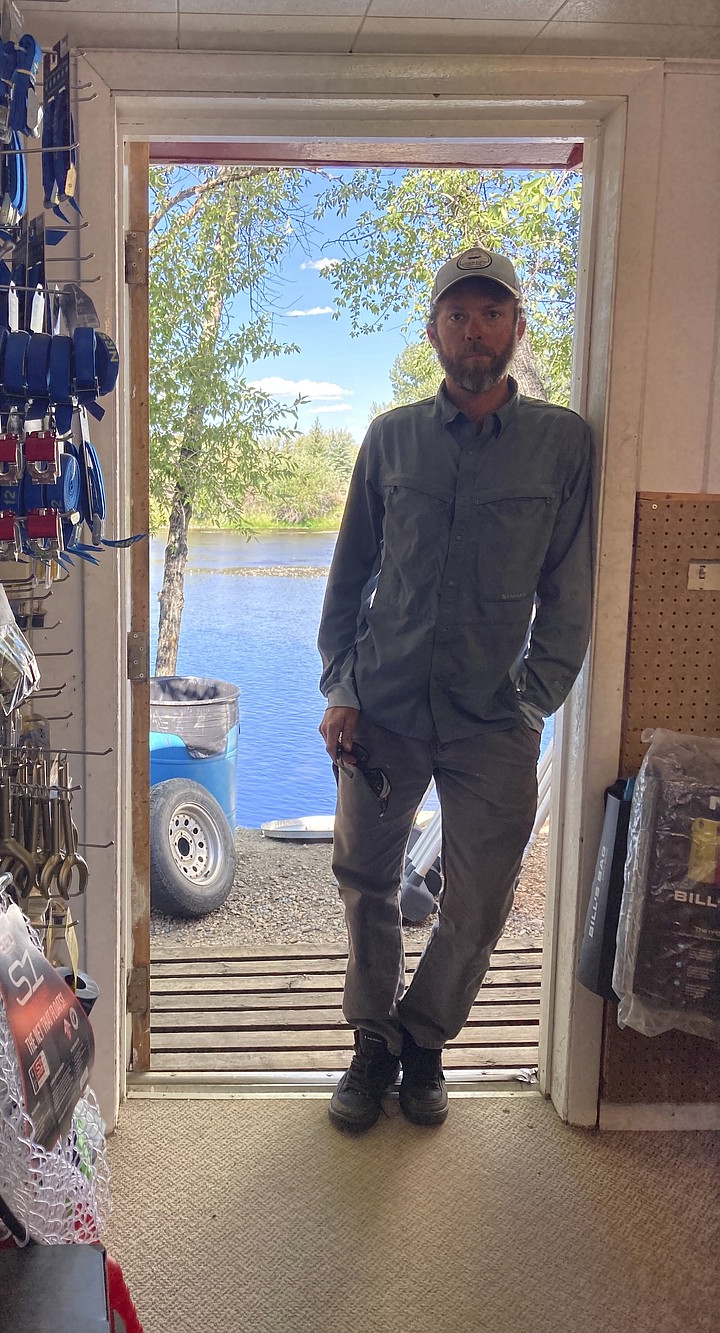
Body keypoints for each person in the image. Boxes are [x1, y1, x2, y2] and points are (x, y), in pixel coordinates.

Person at [317, 246, 594, 1134]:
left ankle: (424, 1040)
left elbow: (572, 590)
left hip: (492, 723)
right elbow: (350, 573)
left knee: (479, 897)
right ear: (433, 329)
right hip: (384, 707)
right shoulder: (390, 437)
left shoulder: (564, 444)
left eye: (492, 313)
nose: (474, 331)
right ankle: (371, 1041)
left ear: (517, 326)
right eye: (457, 314)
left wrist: (532, 699)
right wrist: (341, 685)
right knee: (366, 880)